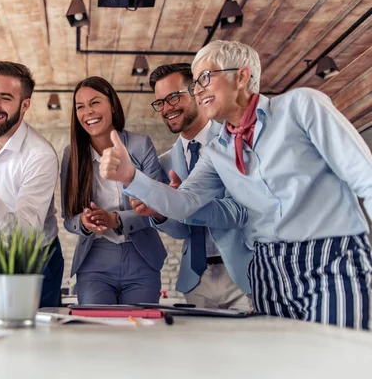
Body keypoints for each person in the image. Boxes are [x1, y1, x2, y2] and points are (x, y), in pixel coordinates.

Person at [100, 40, 372, 329]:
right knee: (281, 365)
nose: (199, 89)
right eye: (195, 84)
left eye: (205, 77)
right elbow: (184, 203)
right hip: (268, 267)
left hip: (331, 255)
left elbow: (364, 176)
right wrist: (131, 177)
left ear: (242, 77)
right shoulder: (217, 151)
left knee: (340, 358)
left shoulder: (301, 106)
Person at [130, 63, 251, 309]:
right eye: (160, 102)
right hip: (196, 278)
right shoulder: (164, 163)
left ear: (196, 90)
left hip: (243, 273)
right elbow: (181, 231)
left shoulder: (232, 142)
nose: (167, 108)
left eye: (174, 97)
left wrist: (186, 200)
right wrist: (160, 213)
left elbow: (242, 212)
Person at [0, 61, 63, 308]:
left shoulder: (40, 155)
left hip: (35, 260)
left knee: (34, 340)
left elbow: (27, 233)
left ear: (25, 104)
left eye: (5, 98)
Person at [61, 76, 166, 304]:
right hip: (94, 262)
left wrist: (115, 219)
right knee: (98, 334)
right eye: (80, 107)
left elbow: (158, 206)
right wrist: (85, 222)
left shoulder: (141, 145)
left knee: (140, 332)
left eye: (95, 102)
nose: (88, 112)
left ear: (112, 104)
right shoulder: (72, 155)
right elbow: (69, 218)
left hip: (142, 258)